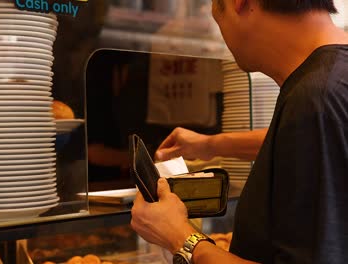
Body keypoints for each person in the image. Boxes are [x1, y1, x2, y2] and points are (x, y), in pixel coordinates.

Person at [130, 0, 348, 263]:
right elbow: (313, 143)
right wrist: (212, 145)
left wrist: (180, 237)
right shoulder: (330, 86)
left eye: (217, 18)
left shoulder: (317, 99)